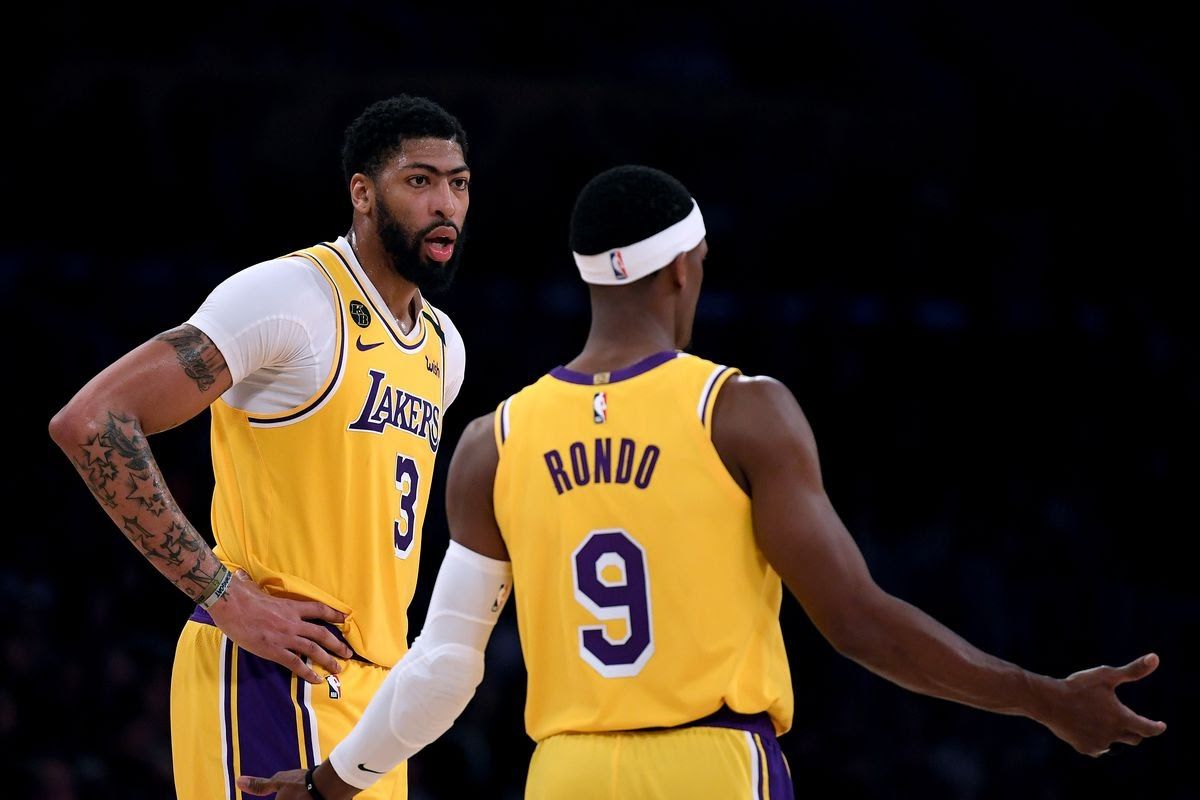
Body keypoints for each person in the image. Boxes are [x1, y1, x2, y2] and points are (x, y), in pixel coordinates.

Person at [237, 165, 1167, 800]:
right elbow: (856, 621)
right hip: (711, 765)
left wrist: (330, 782)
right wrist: (1041, 696)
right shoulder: (741, 410)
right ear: (686, 268)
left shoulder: (494, 440)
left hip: (565, 775)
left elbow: (445, 668)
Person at [48, 93, 471, 800]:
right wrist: (225, 595)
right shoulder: (294, 296)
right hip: (272, 675)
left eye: (458, 183)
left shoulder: (443, 347)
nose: (445, 204)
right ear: (363, 194)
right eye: (419, 180)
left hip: (377, 702)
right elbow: (93, 420)